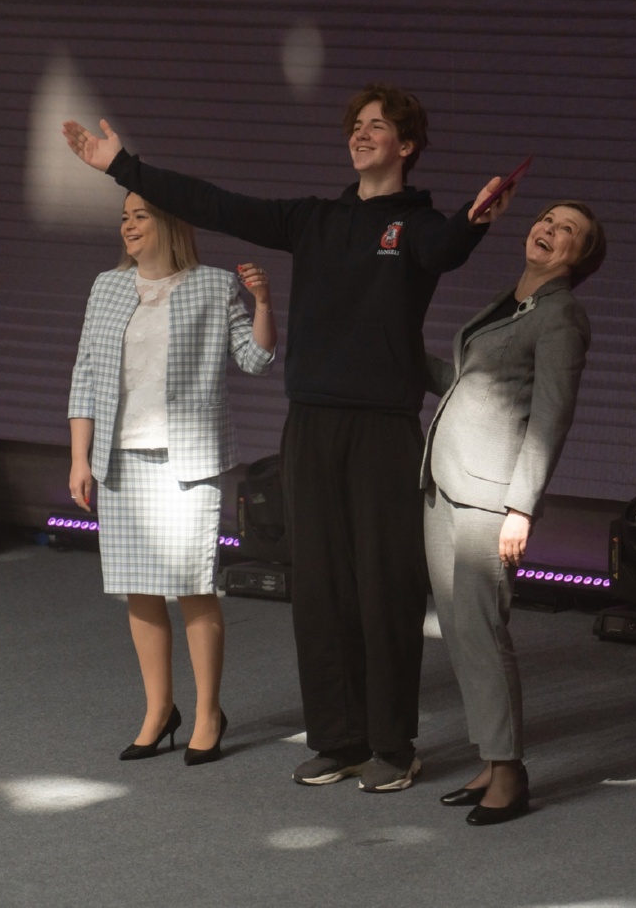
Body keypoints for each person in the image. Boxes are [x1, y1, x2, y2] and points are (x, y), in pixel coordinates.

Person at [63, 84, 514, 791]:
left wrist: (476, 220)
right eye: (356, 124)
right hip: (310, 420)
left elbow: (449, 246)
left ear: (406, 145)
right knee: (320, 588)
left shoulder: (417, 226)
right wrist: (125, 166)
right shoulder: (314, 219)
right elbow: (215, 203)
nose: (361, 133)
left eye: (377, 126)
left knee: (383, 586)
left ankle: (393, 745)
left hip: (381, 426)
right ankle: (339, 739)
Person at [68, 191, 276, 766]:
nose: (128, 225)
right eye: (124, 217)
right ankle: (159, 710)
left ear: (170, 224)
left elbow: (256, 359)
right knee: (138, 587)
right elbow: (85, 373)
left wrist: (262, 302)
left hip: (188, 461)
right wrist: (80, 457)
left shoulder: (213, 285)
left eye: (141, 216)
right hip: (119, 459)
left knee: (192, 586)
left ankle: (208, 712)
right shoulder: (107, 287)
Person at [421, 201, 605, 825]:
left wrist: (520, 509)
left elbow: (551, 417)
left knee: (483, 631)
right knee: (460, 631)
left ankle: (510, 774)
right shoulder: (511, 303)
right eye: (548, 220)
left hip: (490, 497)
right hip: (445, 483)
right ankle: (490, 758)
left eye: (567, 230)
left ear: (580, 258)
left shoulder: (561, 315)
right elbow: (469, 382)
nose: (549, 230)